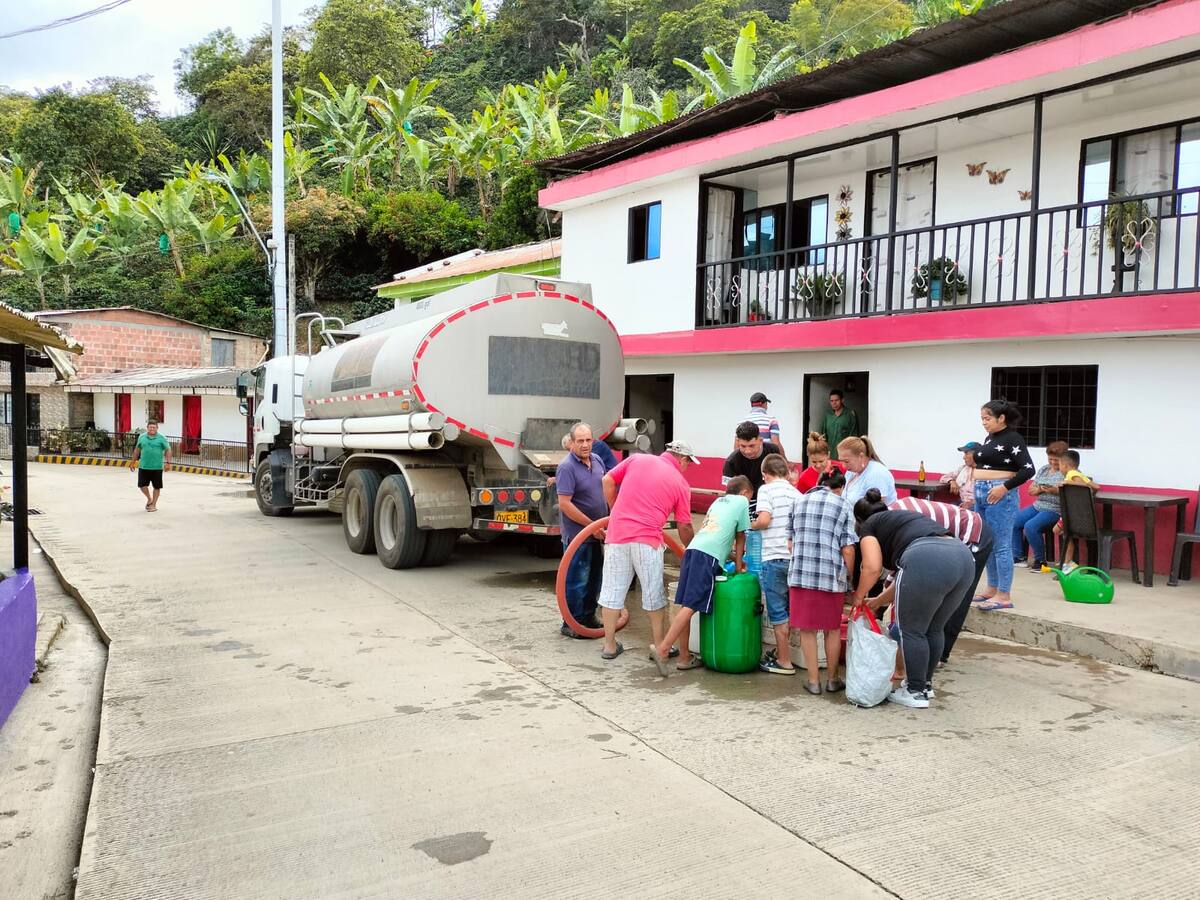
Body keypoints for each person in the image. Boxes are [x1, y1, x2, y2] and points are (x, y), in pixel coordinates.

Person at [853, 492, 976, 709]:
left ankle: (915, 691)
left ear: (859, 520)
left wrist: (858, 596)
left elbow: (872, 567)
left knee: (911, 630)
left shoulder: (868, 526)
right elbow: (909, 578)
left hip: (927, 557)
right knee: (934, 627)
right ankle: (925, 686)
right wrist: (880, 599)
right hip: (962, 557)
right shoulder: (901, 517)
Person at [598, 441, 698, 660]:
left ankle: (609, 646)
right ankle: (660, 646)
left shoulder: (637, 459)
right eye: (688, 463)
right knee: (653, 594)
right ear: (682, 459)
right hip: (648, 540)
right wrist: (692, 549)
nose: (687, 467)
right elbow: (685, 526)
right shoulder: (680, 484)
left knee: (612, 591)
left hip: (617, 535)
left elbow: (607, 480)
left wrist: (616, 511)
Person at [650, 477, 752, 676]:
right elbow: (741, 537)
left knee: (685, 604)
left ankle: (684, 657)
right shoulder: (742, 502)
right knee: (692, 605)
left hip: (693, 551)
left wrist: (729, 556)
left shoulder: (718, 502)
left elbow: (718, 534)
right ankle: (663, 650)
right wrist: (739, 565)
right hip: (708, 557)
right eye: (750, 495)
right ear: (744, 493)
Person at [887, 495, 993, 666]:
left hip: (973, 533)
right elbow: (899, 569)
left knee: (957, 596)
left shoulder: (900, 523)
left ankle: (941, 655)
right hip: (946, 541)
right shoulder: (893, 516)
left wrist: (884, 598)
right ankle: (926, 649)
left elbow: (904, 569)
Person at [788, 468, 858, 694]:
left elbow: (791, 543)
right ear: (840, 488)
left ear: (819, 482)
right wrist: (849, 578)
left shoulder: (798, 502)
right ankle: (833, 679)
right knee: (833, 629)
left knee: (808, 630)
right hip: (830, 577)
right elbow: (848, 549)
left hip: (800, 574)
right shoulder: (843, 505)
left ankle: (813, 682)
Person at [971, 399, 1035, 611]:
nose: (984, 422)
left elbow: (1028, 470)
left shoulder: (1013, 438)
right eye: (982, 418)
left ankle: (1004, 594)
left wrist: (1004, 487)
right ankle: (992, 588)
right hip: (982, 492)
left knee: (1001, 545)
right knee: (987, 542)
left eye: (987, 418)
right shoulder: (990, 437)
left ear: (1001, 418)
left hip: (999, 494)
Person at [555, 423, 608, 638]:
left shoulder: (597, 460)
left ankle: (588, 616)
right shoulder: (566, 467)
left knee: (595, 577)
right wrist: (590, 527)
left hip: (598, 533)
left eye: (588, 440)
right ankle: (571, 622)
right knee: (577, 579)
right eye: (580, 441)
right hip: (579, 535)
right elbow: (565, 504)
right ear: (572, 443)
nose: (585, 445)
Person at [753, 454, 801, 675]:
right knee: (790, 610)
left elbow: (764, 519)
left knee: (778, 612)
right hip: (795, 559)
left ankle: (784, 661)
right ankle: (786, 653)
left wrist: (750, 525)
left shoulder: (766, 490)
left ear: (765, 475)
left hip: (773, 558)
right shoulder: (797, 494)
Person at [1012, 441, 1067, 572]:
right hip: (1038, 505)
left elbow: (1068, 490)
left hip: (1055, 509)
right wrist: (1041, 489)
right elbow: (1031, 490)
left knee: (1031, 526)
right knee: (1014, 521)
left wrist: (1049, 490)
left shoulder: (1067, 471)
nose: (1053, 462)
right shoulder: (1044, 469)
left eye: (1056, 460)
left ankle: (1041, 561)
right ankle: (1019, 557)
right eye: (1050, 459)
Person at [1056, 449, 1101, 573]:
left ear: (1065, 465)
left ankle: (1068, 562)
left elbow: (1082, 485)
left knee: (1060, 531)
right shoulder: (1080, 475)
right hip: (1083, 516)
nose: (1059, 468)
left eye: (1059, 465)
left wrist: (1067, 482)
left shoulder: (1072, 475)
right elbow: (1096, 487)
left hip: (1073, 516)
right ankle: (1067, 561)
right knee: (1065, 533)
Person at [723, 421, 783, 507]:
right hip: (745, 504)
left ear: (760, 440)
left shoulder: (773, 451)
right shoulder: (731, 462)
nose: (748, 451)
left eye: (752, 446)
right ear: (737, 442)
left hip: (771, 500)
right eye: (743, 446)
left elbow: (780, 478)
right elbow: (730, 496)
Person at [839, 435, 897, 506]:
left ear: (861, 456)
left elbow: (875, 509)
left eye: (847, 461)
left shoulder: (876, 474)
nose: (843, 466)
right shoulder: (851, 472)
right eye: (841, 461)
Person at [131, 419, 171, 512]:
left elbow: (168, 450)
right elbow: (137, 450)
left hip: (157, 467)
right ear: (147, 428)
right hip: (144, 466)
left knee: (157, 487)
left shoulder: (162, 438)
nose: (152, 429)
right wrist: (132, 462)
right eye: (150, 427)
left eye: (154, 427)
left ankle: (153, 505)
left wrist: (168, 463)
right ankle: (149, 498)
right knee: (142, 485)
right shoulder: (142, 437)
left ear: (157, 428)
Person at [738, 392, 787, 460]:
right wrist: (784, 461)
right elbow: (776, 443)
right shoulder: (771, 420)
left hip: (746, 461)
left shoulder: (741, 421)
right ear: (764, 404)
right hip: (766, 461)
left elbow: (736, 446)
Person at [821, 390, 859, 460]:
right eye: (831, 401)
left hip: (845, 456)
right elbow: (823, 436)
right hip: (830, 455)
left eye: (836, 400)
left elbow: (854, 437)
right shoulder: (828, 416)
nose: (834, 403)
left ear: (842, 400)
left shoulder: (850, 414)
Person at [940, 442, 979, 509]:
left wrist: (971, 503)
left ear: (976, 455)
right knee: (944, 509)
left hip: (977, 505)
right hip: (962, 502)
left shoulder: (985, 472)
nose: (964, 457)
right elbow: (943, 478)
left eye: (966, 454)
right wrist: (952, 481)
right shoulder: (963, 468)